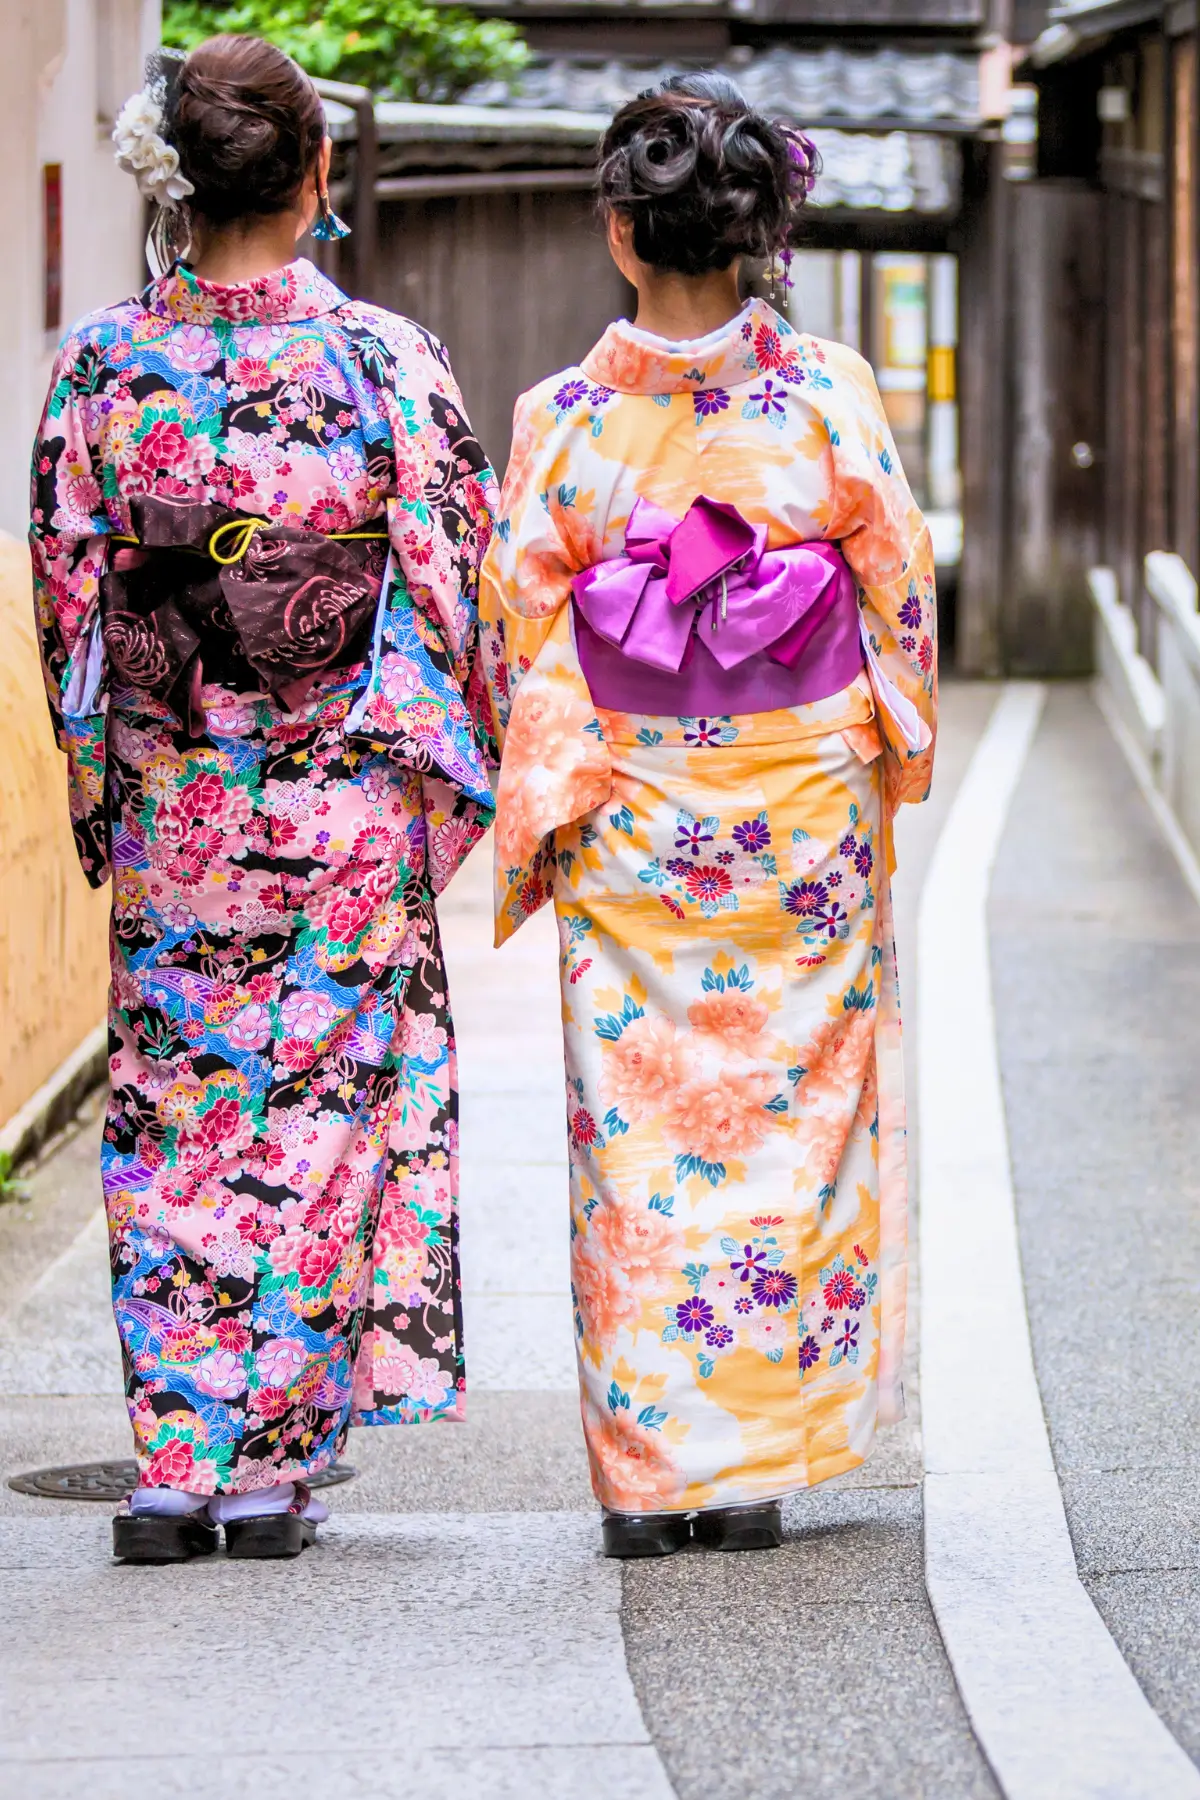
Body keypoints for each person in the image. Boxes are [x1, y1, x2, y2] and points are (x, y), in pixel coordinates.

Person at [29, 36, 496, 1562]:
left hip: (181, 798)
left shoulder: (100, 363)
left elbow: (68, 593)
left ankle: (170, 1463)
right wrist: (429, 783)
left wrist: (113, 779)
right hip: (341, 801)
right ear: (312, 177)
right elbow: (450, 582)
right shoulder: (382, 362)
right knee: (314, 1121)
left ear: (172, 185)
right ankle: (268, 1469)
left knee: (175, 1116)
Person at [479, 72, 937, 1558]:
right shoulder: (828, 396)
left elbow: (520, 641)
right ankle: (749, 1469)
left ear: (622, 234)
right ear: (758, 235)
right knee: (792, 1125)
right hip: (796, 821)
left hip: (632, 819)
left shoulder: (560, 424)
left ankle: (642, 1473)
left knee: (637, 1135)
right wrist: (880, 751)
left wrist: (557, 794)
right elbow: (899, 597)